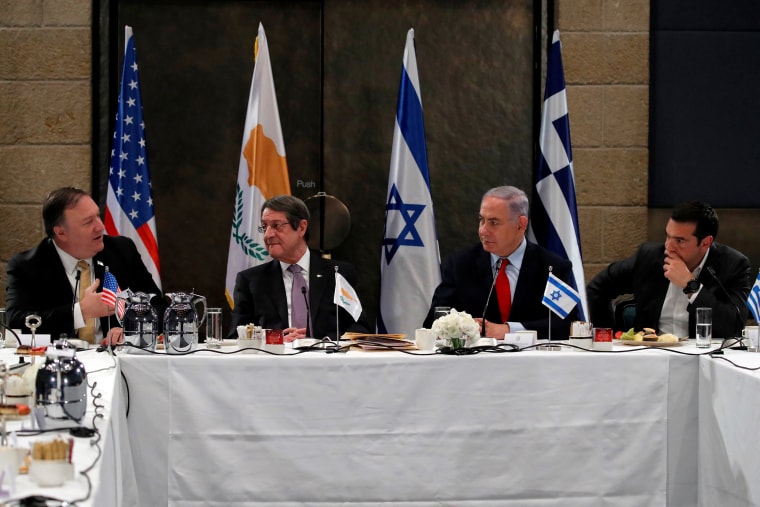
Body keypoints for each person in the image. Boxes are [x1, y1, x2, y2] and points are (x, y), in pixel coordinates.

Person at [6, 187, 164, 346]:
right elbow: (17, 321)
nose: (100, 226)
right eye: (88, 222)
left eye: (98, 216)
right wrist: (80, 312)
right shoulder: (28, 266)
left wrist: (133, 328)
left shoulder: (122, 251)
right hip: (57, 361)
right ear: (61, 233)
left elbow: (157, 304)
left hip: (115, 359)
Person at [424, 186, 578, 340]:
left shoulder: (552, 268)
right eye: (481, 220)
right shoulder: (460, 265)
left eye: (494, 223)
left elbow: (567, 325)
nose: (483, 231)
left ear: (520, 225)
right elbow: (433, 322)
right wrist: (464, 327)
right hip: (476, 361)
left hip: (532, 362)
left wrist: (510, 330)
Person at [587, 201, 751, 338]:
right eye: (668, 236)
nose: (668, 247)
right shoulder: (649, 258)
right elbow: (596, 290)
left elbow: (734, 326)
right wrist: (606, 338)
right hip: (649, 357)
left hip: (703, 361)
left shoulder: (733, 265)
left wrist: (690, 284)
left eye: (680, 241)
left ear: (706, 242)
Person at [229, 195, 370, 341]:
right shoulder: (251, 280)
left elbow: (359, 329)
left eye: (276, 226)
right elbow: (236, 336)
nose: (268, 235)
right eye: (264, 227)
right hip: (274, 361)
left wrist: (319, 340)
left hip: (326, 361)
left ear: (301, 228)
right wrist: (275, 339)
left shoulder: (338, 274)